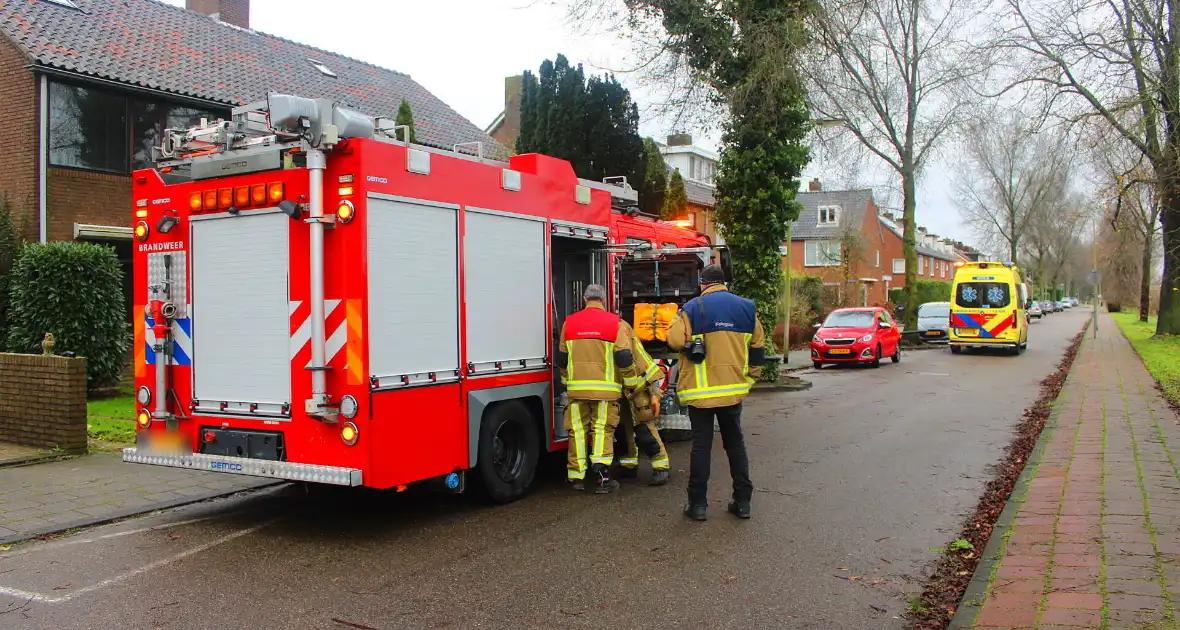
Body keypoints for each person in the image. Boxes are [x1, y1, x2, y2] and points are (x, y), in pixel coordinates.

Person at [667, 264, 765, 521]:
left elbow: (674, 341)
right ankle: (742, 502)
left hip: (701, 394)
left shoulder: (692, 308)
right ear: (724, 283)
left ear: (703, 284)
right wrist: (751, 378)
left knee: (701, 446)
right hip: (733, 391)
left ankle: (698, 505)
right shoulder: (747, 308)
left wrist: (691, 343)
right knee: (735, 444)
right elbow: (758, 348)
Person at [557, 284, 639, 493]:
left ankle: (575, 478)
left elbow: (562, 358)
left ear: (585, 299)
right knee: (602, 430)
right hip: (606, 390)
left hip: (577, 391)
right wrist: (631, 383)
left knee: (577, 431)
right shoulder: (615, 323)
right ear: (603, 300)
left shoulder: (570, 322)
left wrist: (566, 380)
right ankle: (602, 479)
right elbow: (623, 356)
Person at [615, 340, 671, 485]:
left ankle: (661, 467)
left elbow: (638, 362)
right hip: (620, 388)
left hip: (637, 386)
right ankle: (628, 466)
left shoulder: (621, 329)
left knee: (644, 428)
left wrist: (653, 393)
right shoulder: (612, 328)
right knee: (622, 429)